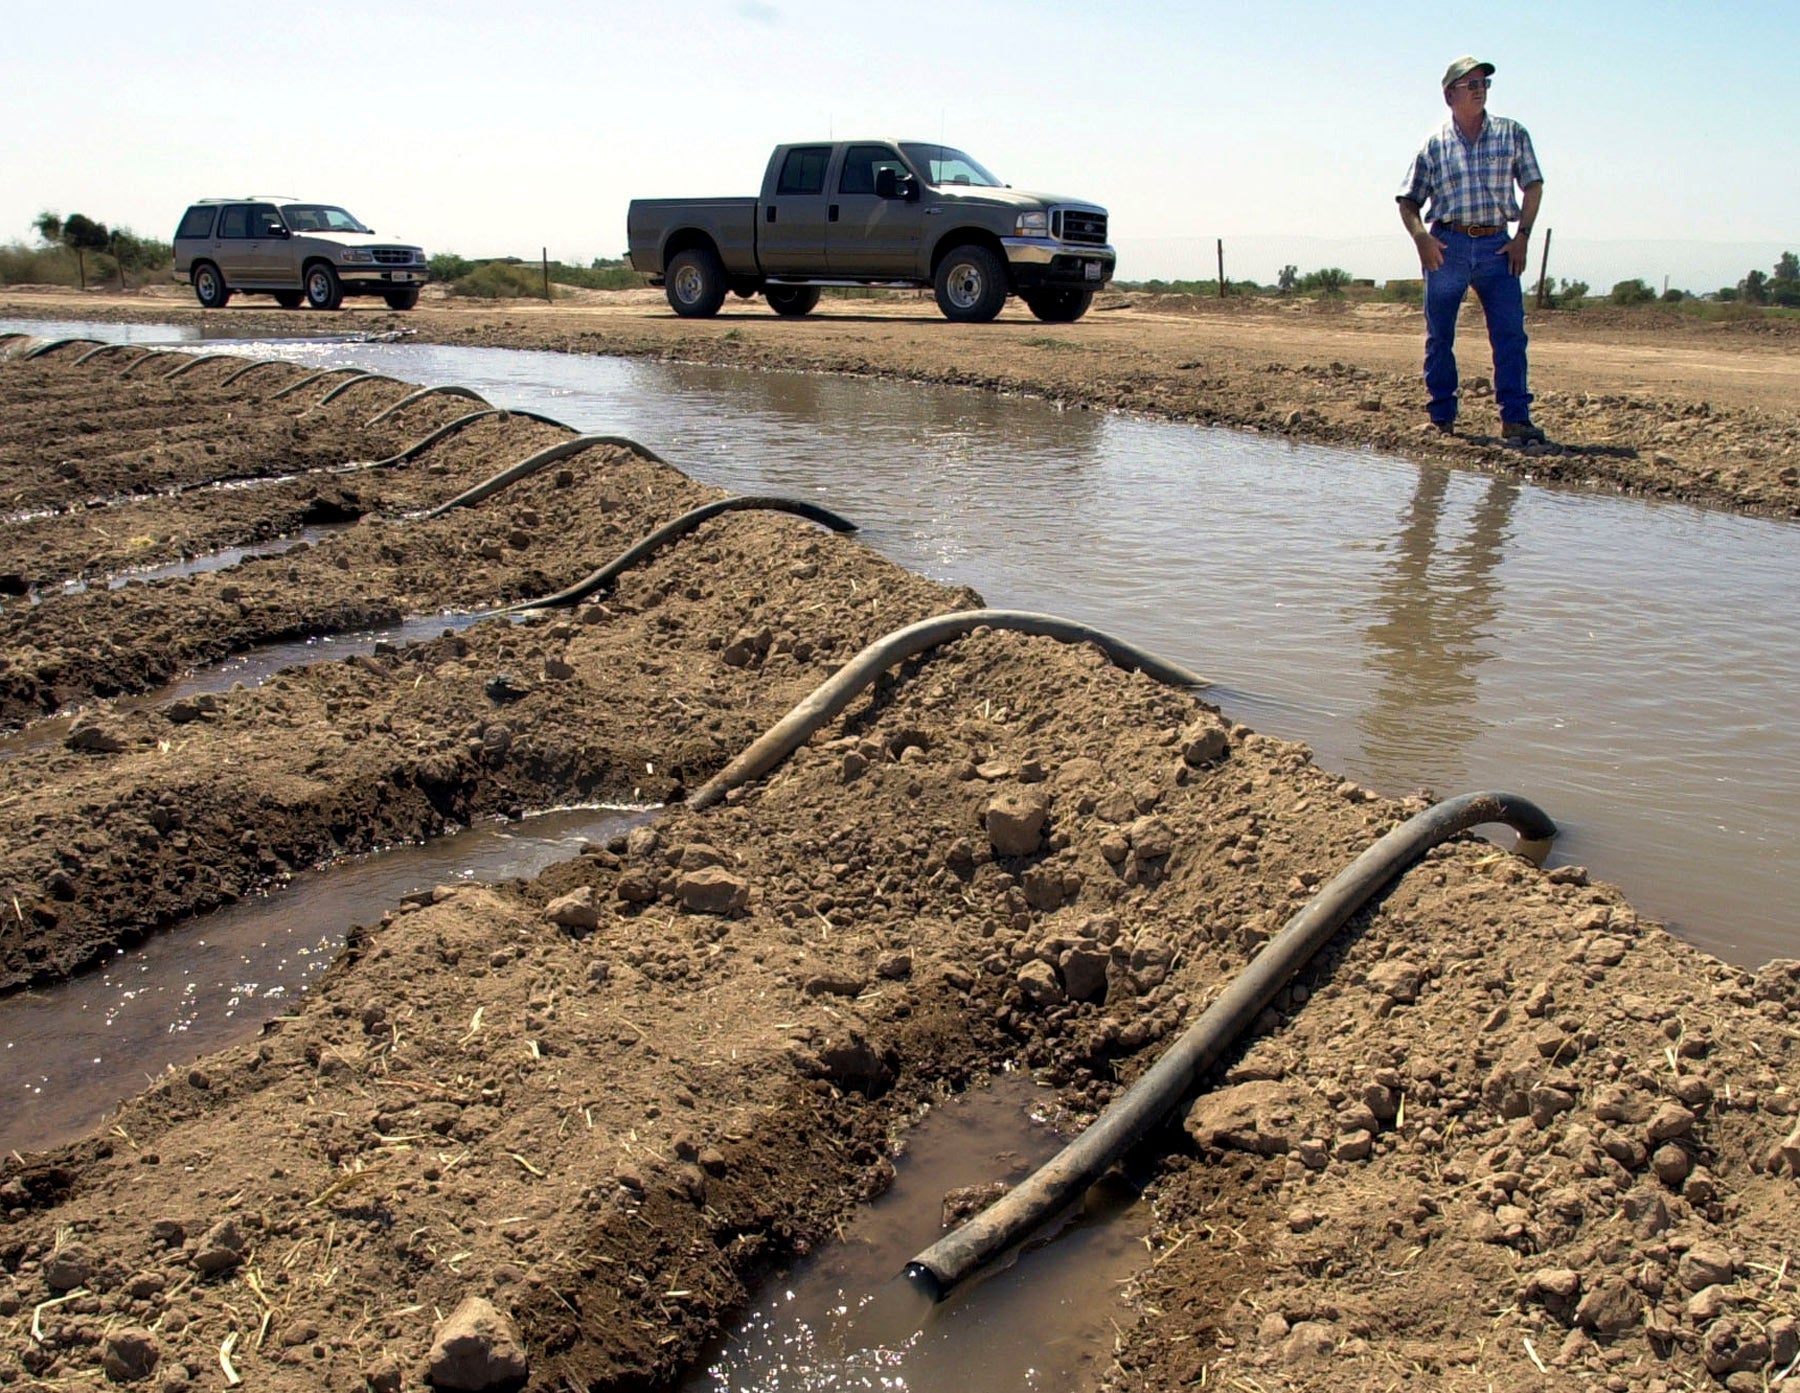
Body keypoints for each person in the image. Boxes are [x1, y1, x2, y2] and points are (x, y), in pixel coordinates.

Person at [1397, 56, 1546, 443]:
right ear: (1450, 96)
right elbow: (1407, 200)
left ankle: (1516, 419)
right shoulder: (1434, 145)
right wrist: (1421, 239)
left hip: (1498, 246)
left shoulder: (1512, 134)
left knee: (1510, 333)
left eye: (1483, 83)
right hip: (1449, 246)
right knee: (1440, 335)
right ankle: (1441, 418)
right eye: (1471, 84)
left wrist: (1522, 237)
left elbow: (1533, 185)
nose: (1479, 89)